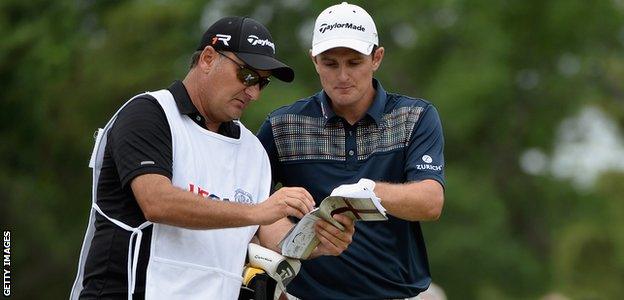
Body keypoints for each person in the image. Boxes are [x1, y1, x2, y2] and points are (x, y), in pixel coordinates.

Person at [70, 16, 355, 300]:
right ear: (207, 58)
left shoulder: (251, 149)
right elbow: (156, 202)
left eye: (262, 83)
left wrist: (315, 239)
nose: (253, 92)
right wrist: (258, 210)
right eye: (247, 76)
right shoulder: (149, 113)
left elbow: (271, 232)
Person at [257, 2, 445, 299]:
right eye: (330, 63)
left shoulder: (415, 116)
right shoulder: (282, 125)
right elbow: (255, 208)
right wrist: (292, 243)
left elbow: (430, 201)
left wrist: (365, 190)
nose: (342, 76)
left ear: (376, 58)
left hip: (397, 293)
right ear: (314, 61)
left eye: (354, 62)